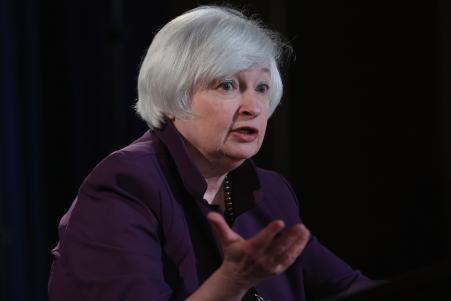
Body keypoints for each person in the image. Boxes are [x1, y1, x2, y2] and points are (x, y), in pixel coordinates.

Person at [48, 5, 377, 301]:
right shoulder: (126, 185)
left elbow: (348, 286)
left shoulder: (271, 194)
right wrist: (233, 281)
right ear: (173, 93)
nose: (253, 107)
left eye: (261, 87)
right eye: (227, 85)